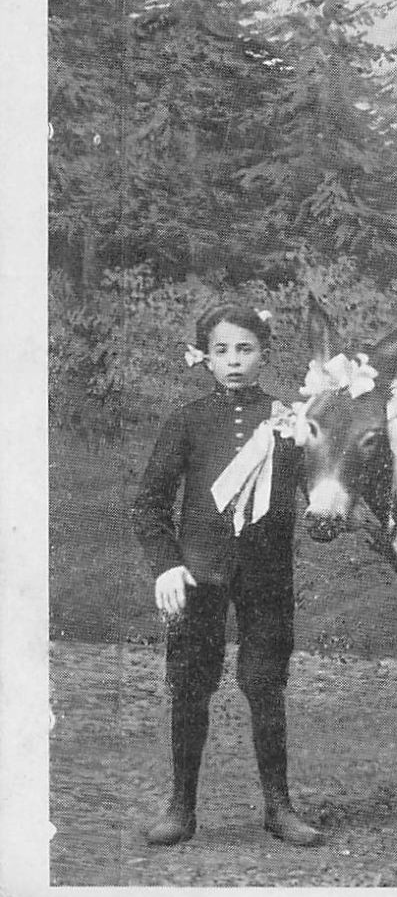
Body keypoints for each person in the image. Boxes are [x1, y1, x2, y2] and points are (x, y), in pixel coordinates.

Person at [130, 305, 322, 847]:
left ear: (264, 354)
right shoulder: (188, 420)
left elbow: (321, 501)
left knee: (266, 686)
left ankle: (279, 808)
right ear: (205, 357)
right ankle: (181, 808)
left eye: (246, 349)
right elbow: (148, 506)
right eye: (222, 350)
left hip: (267, 580)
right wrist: (167, 564)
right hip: (199, 577)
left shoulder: (289, 422)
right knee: (190, 686)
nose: (234, 361)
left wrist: (317, 467)